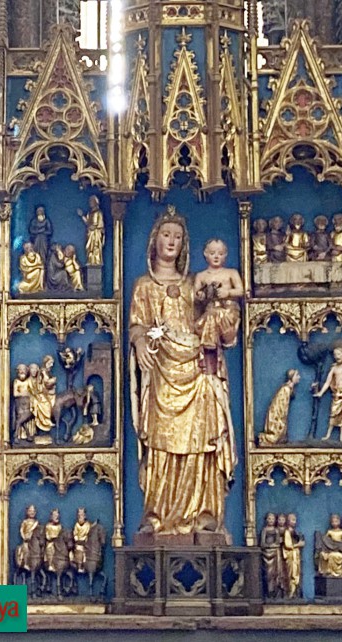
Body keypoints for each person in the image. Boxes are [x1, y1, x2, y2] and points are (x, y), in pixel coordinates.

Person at [129, 205, 237, 536]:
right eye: (166, 234)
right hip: (162, 370)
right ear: (154, 241)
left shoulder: (195, 284)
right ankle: (158, 514)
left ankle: (204, 513)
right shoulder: (144, 286)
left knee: (203, 438)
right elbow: (137, 325)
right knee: (162, 440)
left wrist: (221, 311)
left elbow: (215, 323)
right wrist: (138, 339)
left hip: (196, 369)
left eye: (177, 236)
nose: (171, 241)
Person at [193, 239, 244, 372]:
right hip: (210, 311)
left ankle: (209, 344)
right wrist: (201, 296)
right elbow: (194, 295)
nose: (216, 256)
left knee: (215, 314)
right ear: (205, 254)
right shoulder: (201, 276)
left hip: (228, 311)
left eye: (220, 253)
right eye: (212, 253)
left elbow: (242, 290)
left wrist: (227, 292)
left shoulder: (231, 273)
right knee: (211, 314)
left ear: (226, 255)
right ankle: (208, 348)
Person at [311, 346, 342, 442]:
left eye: (339, 354)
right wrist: (320, 393)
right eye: (335, 355)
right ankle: (328, 434)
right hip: (337, 394)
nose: (337, 356)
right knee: (333, 414)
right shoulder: (334, 368)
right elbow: (328, 382)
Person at [260, 369, 300, 446]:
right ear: (292, 377)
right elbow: (282, 407)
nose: (299, 377)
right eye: (297, 375)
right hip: (277, 416)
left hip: (279, 415)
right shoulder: (286, 389)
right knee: (277, 434)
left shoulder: (288, 389)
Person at [260, 513, 283, 598]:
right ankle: (268, 592)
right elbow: (262, 543)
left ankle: (274, 591)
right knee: (268, 574)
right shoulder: (264, 530)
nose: (271, 520)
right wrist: (269, 546)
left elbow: (277, 543)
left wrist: (274, 546)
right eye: (269, 519)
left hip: (275, 554)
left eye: (272, 519)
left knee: (274, 574)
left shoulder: (276, 530)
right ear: (266, 520)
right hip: (266, 553)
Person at [77, 195, 105, 265]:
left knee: (95, 248)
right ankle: (91, 260)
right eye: (90, 201)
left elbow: (95, 226)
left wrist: (92, 227)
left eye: (91, 201)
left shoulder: (98, 213)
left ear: (96, 202)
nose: (90, 203)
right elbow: (88, 223)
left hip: (95, 234)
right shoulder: (90, 213)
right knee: (89, 249)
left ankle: (96, 261)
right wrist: (82, 216)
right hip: (90, 234)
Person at [282, 513, 304, 598]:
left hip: (296, 555)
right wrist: (298, 544)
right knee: (291, 573)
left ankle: (295, 592)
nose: (294, 522)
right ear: (288, 521)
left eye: (295, 520)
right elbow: (288, 545)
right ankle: (290, 592)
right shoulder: (287, 532)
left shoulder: (295, 532)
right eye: (292, 520)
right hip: (290, 555)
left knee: (297, 573)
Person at [71, 508, 90, 573]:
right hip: (78, 542)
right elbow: (75, 533)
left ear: (84, 516)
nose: (80, 517)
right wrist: (76, 538)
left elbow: (88, 534)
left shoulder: (87, 525)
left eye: (82, 515)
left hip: (86, 543)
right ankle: (79, 565)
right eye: (79, 515)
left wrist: (85, 539)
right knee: (79, 550)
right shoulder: (76, 525)